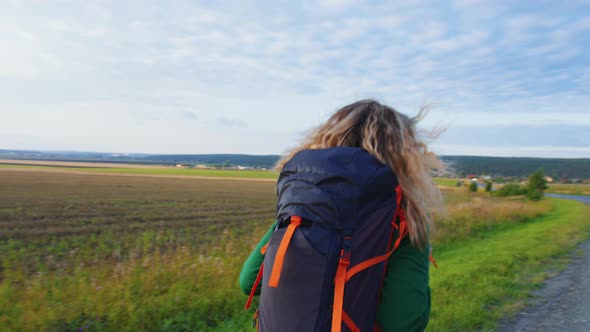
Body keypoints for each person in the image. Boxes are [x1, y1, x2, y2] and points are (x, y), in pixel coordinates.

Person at [239, 99, 445, 331]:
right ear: (404, 155)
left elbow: (249, 281)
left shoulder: (302, 207)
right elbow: (403, 322)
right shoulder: (402, 215)